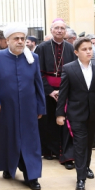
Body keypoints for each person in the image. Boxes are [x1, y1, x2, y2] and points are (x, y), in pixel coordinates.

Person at [0, 23, 45, 190]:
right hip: (5, 110)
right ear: (7, 40)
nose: (20, 41)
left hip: (29, 110)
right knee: (8, 140)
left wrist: (40, 108)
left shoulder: (33, 58)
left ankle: (32, 176)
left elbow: (39, 85)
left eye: (23, 38)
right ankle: (9, 168)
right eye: (16, 38)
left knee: (30, 143)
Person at [57, 37, 95, 190]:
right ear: (76, 52)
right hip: (76, 113)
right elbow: (63, 94)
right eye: (84, 49)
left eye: (90, 48)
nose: (88, 51)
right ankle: (81, 178)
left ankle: (86, 167)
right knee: (80, 145)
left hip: (94, 113)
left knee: (88, 144)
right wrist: (60, 114)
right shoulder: (69, 68)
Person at [36, 18, 76, 167]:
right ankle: (49, 151)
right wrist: (50, 91)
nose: (59, 30)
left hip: (66, 91)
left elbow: (74, 72)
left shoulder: (71, 48)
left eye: (62, 28)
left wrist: (63, 91)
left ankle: (65, 154)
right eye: (56, 28)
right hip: (47, 91)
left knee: (65, 123)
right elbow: (38, 72)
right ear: (51, 30)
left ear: (65, 31)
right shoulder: (42, 47)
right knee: (48, 123)